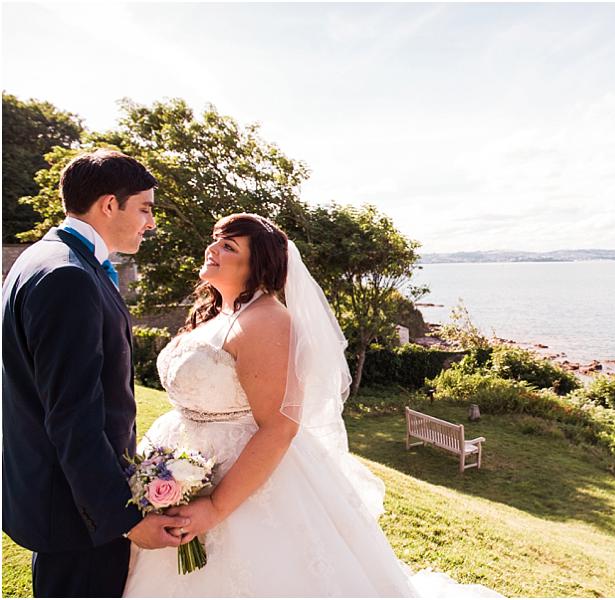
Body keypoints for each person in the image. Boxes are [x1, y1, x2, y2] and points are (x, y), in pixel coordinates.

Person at [124, 213, 501, 597]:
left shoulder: (267, 320)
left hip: (242, 480)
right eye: (216, 239)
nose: (213, 249)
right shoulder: (214, 315)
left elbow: (279, 426)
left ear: (258, 265)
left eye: (229, 246)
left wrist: (216, 508)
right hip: (182, 464)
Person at [2, 150, 192, 597]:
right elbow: (74, 416)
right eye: (144, 209)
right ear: (109, 205)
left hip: (62, 504)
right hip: (78, 519)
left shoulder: (45, 258)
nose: (150, 223)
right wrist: (123, 519)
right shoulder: (67, 276)